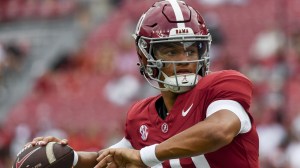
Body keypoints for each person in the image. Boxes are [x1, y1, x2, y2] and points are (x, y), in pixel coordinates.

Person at [29, 0, 259, 167]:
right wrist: (63, 157)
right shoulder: (140, 116)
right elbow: (110, 158)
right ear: (145, 57)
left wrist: (143, 156)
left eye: (191, 50)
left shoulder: (222, 86)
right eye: (171, 51)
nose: (185, 60)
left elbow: (218, 131)